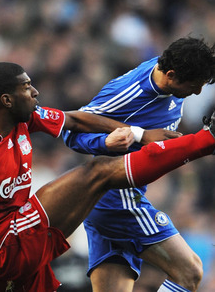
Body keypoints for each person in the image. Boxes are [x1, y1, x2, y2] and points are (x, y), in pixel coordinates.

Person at [0, 63, 214, 292]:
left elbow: (77, 121)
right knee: (99, 171)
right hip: (6, 241)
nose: (35, 91)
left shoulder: (27, 117)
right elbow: (76, 134)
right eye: (26, 86)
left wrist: (139, 134)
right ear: (7, 100)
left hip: (20, 236)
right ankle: (207, 141)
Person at [63, 37, 215, 292]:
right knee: (189, 272)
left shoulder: (170, 76)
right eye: (193, 86)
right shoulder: (130, 91)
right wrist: (133, 135)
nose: (197, 92)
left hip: (109, 199)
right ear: (171, 74)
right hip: (115, 198)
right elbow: (71, 128)